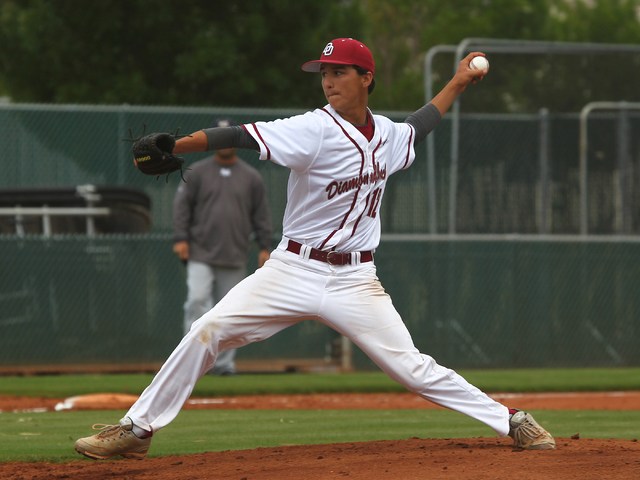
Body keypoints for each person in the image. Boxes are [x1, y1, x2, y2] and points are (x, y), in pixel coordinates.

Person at [75, 37, 556, 460]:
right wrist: (178, 146)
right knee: (208, 328)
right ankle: (137, 430)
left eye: (339, 72)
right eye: (324, 73)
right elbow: (242, 135)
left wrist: (457, 83)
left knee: (412, 367)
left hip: (355, 280)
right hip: (292, 269)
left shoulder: (387, 134)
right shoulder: (313, 128)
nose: (328, 81)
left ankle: (512, 420)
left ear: (367, 77)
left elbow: (421, 124)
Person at [172, 118, 272, 376]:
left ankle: (224, 365)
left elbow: (261, 214)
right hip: (200, 251)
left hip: (235, 252)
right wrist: (180, 238)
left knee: (231, 311)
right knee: (196, 302)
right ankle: (190, 362)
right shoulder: (197, 171)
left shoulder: (251, 177)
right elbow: (182, 208)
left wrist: (264, 245)